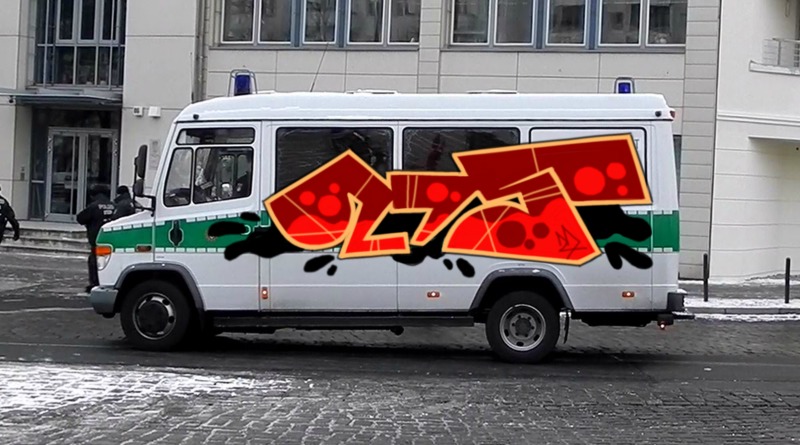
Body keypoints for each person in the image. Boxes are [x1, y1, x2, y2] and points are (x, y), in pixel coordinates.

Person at [77, 185, 115, 293]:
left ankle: (95, 284)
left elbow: (80, 218)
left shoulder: (93, 206)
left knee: (94, 262)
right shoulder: (114, 206)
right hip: (111, 240)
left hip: (97, 239)